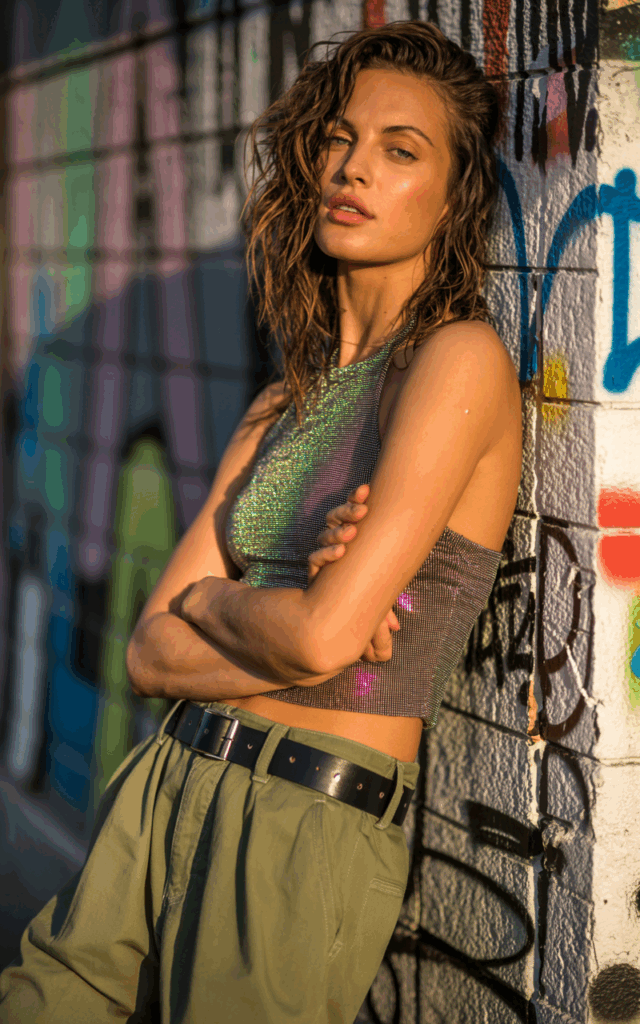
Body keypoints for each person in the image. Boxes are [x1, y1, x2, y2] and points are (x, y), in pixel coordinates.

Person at [0, 19, 522, 1024]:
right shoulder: (281, 407)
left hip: (300, 825)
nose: (352, 166)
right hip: (163, 784)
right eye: (340, 137)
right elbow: (149, 656)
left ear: (453, 193)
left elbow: (318, 637)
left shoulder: (454, 364)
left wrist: (220, 605)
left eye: (398, 149)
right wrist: (260, 610)